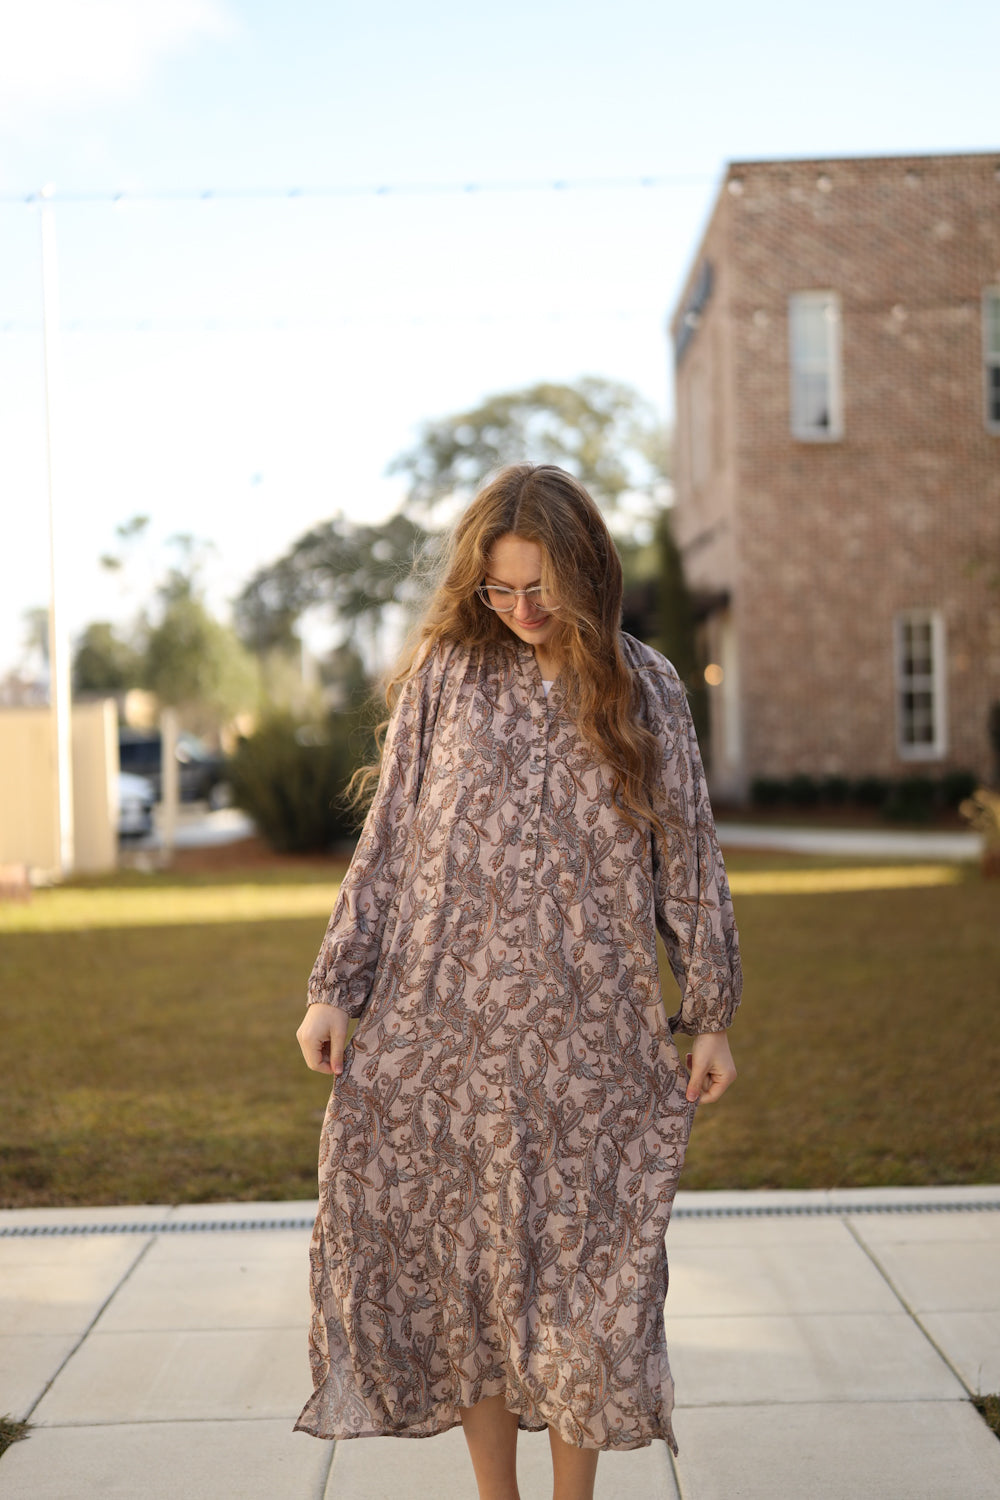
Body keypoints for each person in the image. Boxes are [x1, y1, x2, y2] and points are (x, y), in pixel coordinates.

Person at [294, 463, 742, 1500]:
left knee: (586, 1290)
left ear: (587, 572)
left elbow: (688, 854)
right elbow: (390, 837)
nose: (521, 609)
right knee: (472, 1285)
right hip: (445, 1028)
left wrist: (710, 1011)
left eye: (540, 588)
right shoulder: (448, 674)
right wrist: (335, 987)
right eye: (499, 589)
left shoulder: (647, 687)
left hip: (591, 1042)